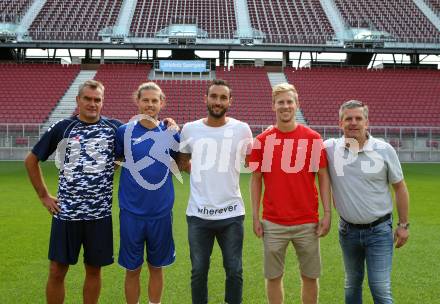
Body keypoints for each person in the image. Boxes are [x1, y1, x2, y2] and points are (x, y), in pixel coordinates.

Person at [24, 80, 122, 304]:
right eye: (87, 98)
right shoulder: (63, 128)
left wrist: (168, 124)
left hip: (99, 216)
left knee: (94, 271)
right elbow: (31, 160)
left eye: (97, 99)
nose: (92, 104)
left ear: (103, 102)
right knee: (57, 270)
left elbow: (139, 140)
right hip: (67, 214)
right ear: (78, 100)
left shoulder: (115, 128)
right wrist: (43, 196)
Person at [248, 83, 331, 304]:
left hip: (307, 221)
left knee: (310, 276)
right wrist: (256, 217)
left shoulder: (313, 138)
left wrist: (327, 214)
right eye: (280, 102)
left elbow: (323, 177)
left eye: (289, 101)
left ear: (297, 105)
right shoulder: (262, 141)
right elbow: (256, 180)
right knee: (274, 277)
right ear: (273, 106)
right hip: (273, 222)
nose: (285, 106)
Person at [324, 100, 410, 304]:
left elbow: (400, 187)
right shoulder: (329, 148)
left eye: (358, 118)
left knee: (380, 288)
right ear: (340, 123)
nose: (353, 122)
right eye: (348, 119)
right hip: (348, 231)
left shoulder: (384, 149)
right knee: (352, 283)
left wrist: (403, 225)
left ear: (367, 122)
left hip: (379, 230)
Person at [178, 79, 253, 304]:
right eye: (214, 96)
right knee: (199, 271)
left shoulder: (242, 129)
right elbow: (182, 162)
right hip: (198, 215)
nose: (217, 101)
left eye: (223, 97)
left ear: (230, 101)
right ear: (206, 99)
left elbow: (253, 163)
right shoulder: (190, 128)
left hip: (232, 214)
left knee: (234, 270)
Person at [115, 82, 180, 304]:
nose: (150, 104)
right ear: (138, 101)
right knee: (132, 270)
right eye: (146, 100)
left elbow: (180, 164)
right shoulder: (124, 132)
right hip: (131, 213)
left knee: (156, 267)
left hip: (161, 213)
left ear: (161, 103)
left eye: (155, 100)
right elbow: (115, 161)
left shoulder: (171, 133)